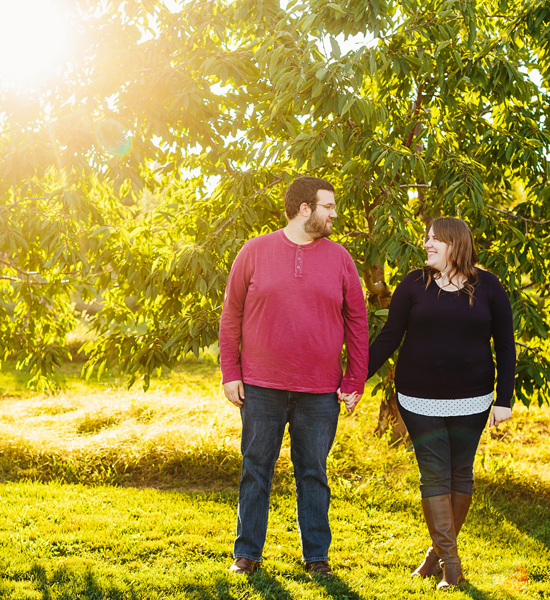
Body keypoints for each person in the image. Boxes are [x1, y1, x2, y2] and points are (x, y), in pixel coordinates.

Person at [219, 176, 369, 578]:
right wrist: (230, 372)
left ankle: (316, 557)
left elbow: (357, 321)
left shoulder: (340, 258)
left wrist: (355, 380)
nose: (334, 213)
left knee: (313, 473)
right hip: (261, 386)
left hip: (320, 391)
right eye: (328, 207)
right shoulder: (254, 251)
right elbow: (231, 314)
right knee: (255, 469)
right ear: (305, 209)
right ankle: (247, 553)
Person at [367, 217, 515, 590]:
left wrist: (505, 398)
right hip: (419, 399)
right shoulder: (414, 285)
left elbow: (506, 345)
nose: (427, 245)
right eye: (427, 239)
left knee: (460, 474)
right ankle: (452, 565)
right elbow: (388, 339)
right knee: (434, 475)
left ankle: (435, 556)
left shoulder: (489, 286)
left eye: (435, 240)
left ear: (456, 244)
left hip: (474, 399)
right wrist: (353, 379)